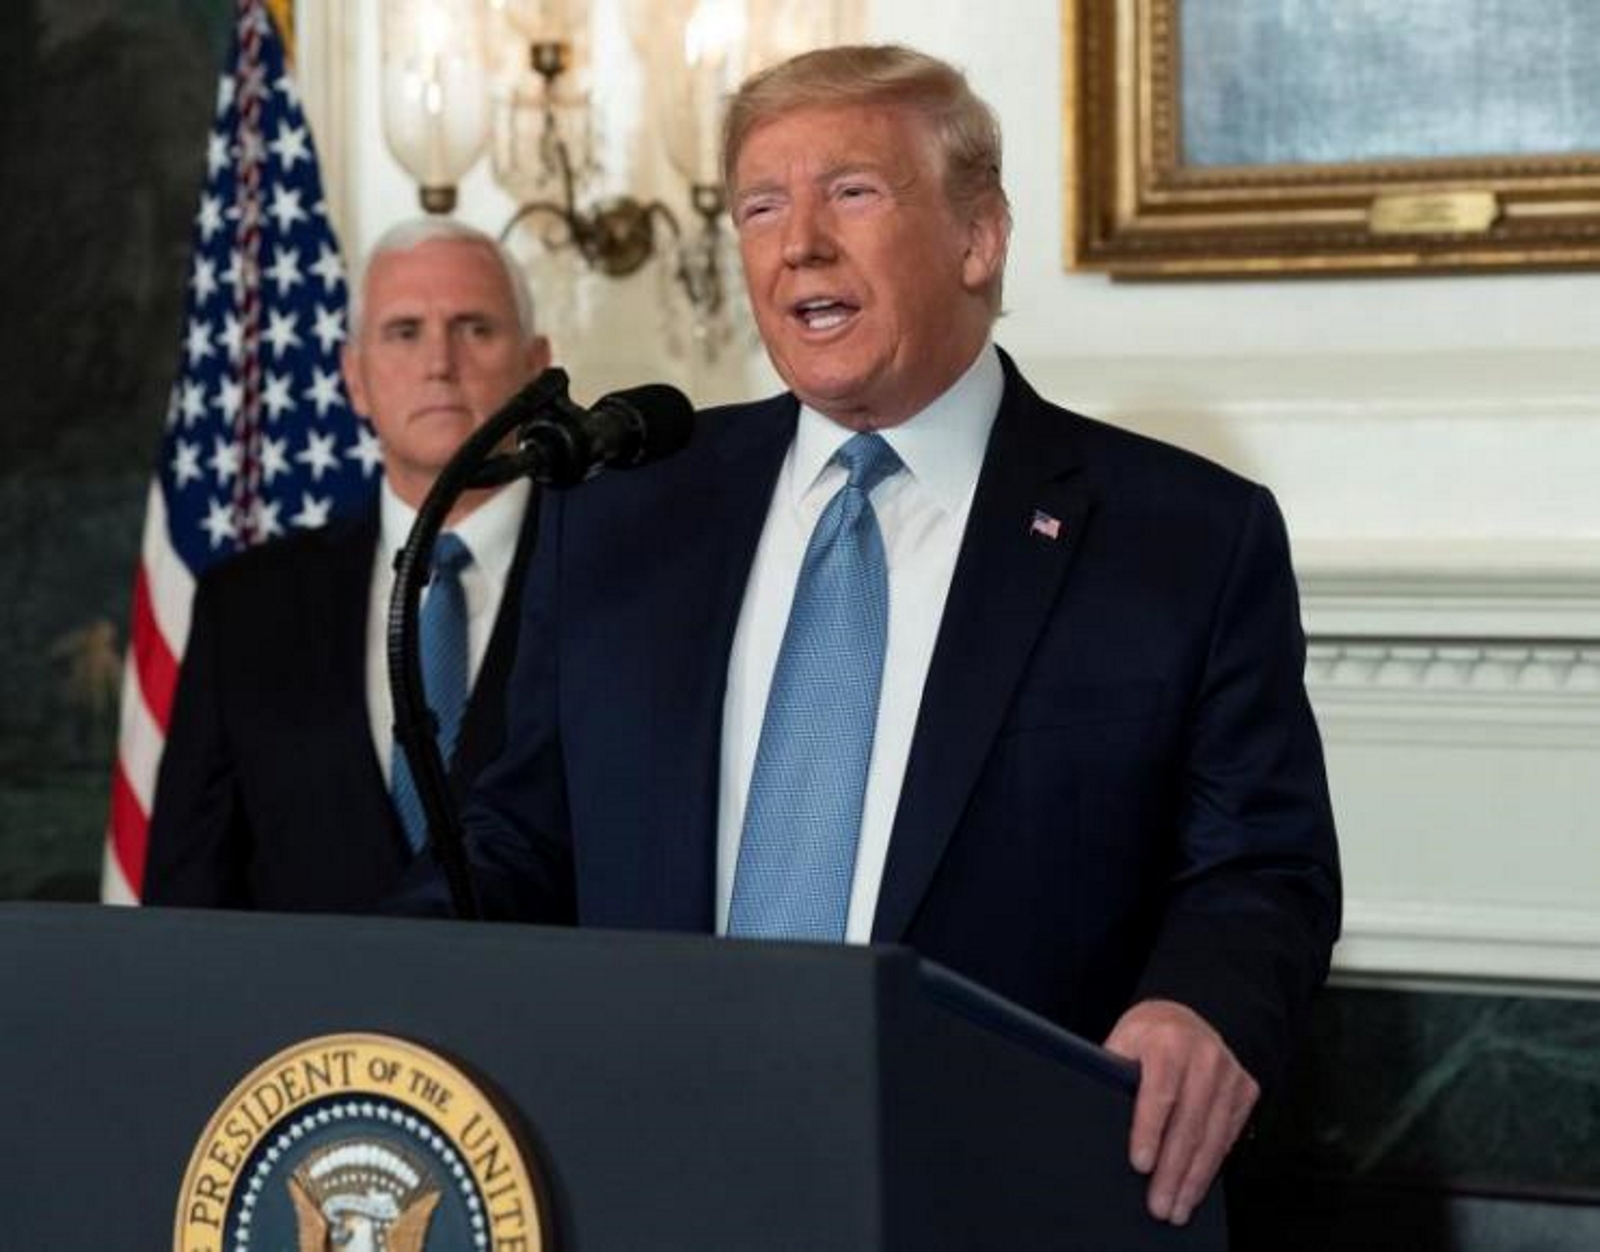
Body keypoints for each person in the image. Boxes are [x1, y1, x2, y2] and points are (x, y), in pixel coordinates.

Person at [419, 46, 1340, 1226]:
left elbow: (1258, 868)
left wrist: (1199, 1007)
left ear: (977, 237)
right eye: (761, 206)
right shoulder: (623, 513)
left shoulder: (1181, 538)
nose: (798, 242)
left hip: (1001, 1187)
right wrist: (348, 976)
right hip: (645, 1180)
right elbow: (513, 840)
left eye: (850, 192)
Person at [143, 218, 552, 912]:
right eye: (404, 332)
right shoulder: (245, 607)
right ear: (354, 378)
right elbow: (187, 895)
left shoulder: (612, 582)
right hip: (303, 989)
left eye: (475, 328)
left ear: (537, 366)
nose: (440, 362)